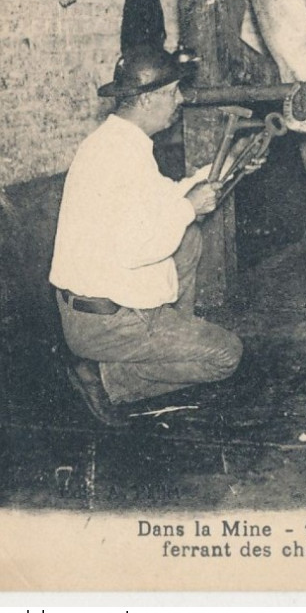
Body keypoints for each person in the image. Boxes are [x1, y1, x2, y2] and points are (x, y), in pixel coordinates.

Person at [50, 43, 257, 427]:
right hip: (108, 322)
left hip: (93, 306)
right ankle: (104, 379)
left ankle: (167, 337)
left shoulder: (116, 143)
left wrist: (232, 161)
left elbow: (168, 197)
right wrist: (189, 207)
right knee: (226, 355)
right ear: (147, 100)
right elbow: (135, 247)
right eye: (172, 93)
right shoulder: (120, 155)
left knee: (189, 237)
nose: (179, 100)